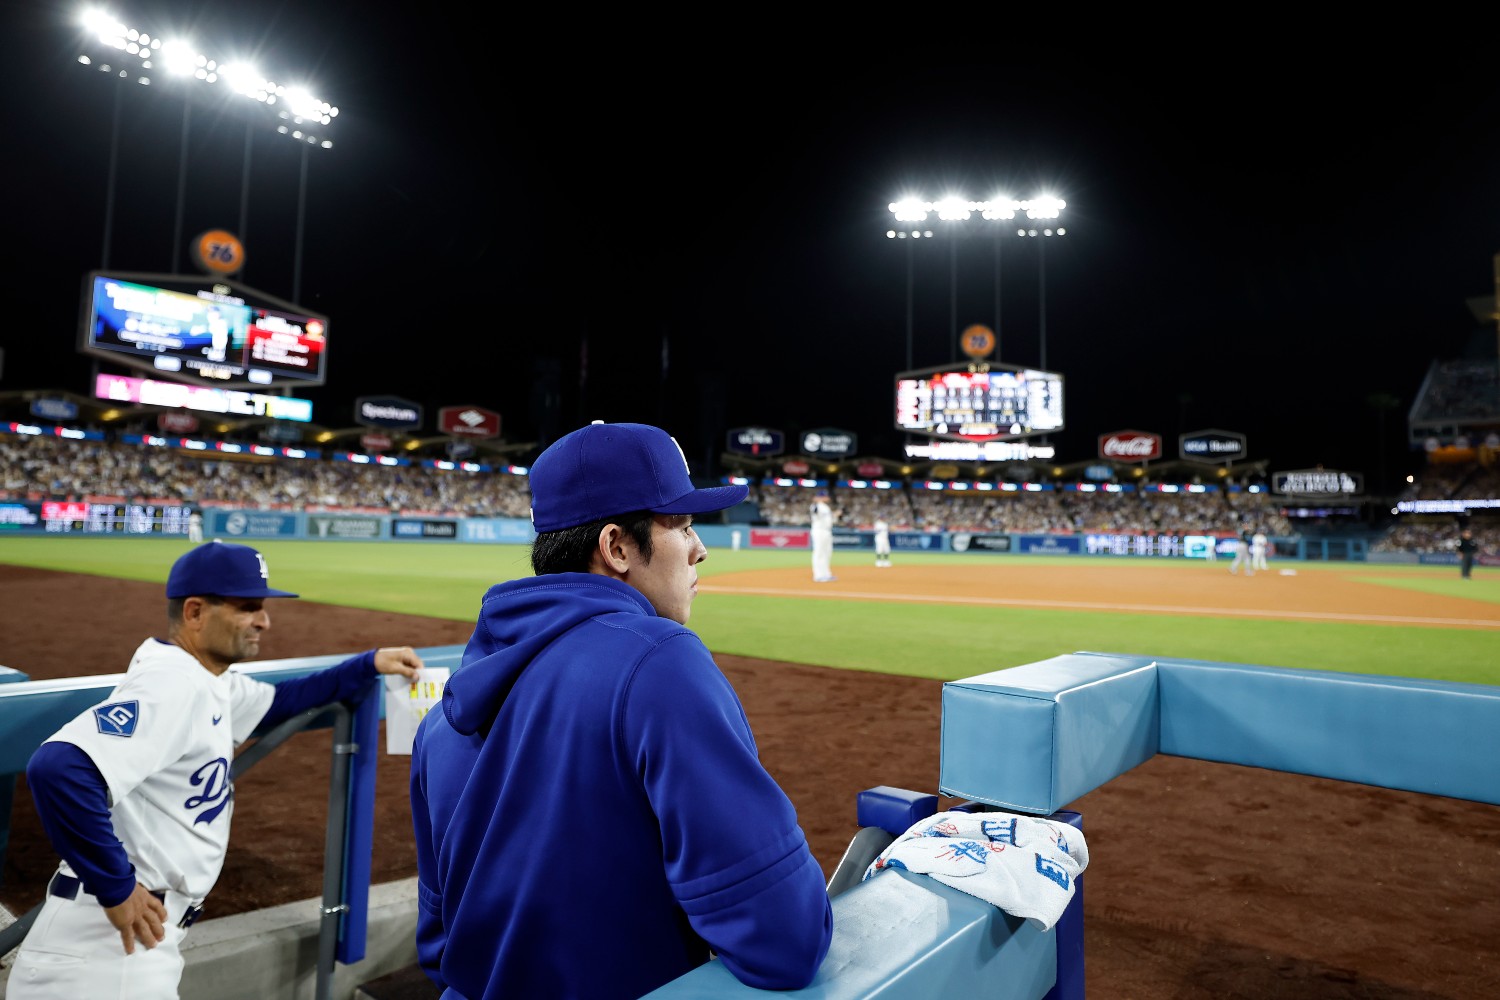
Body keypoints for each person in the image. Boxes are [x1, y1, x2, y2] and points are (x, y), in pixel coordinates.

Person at [409, 421, 832, 1000]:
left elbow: (438, 948)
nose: (700, 548)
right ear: (616, 548)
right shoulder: (660, 661)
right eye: (680, 524)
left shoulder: (447, 708)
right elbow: (786, 941)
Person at [9, 541, 425, 1000]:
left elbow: (281, 702)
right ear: (194, 612)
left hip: (124, 940)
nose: (264, 620)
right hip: (108, 950)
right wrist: (116, 886)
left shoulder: (206, 679)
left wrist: (366, 664)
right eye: (248, 607)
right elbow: (58, 767)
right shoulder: (172, 684)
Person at [810, 487, 836, 582]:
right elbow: (815, 511)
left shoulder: (826, 507)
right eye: (824, 496)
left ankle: (826, 573)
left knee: (827, 552)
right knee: (819, 552)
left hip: (827, 531)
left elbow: (828, 519)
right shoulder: (815, 506)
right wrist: (816, 501)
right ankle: (818, 575)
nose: (826, 497)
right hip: (819, 530)